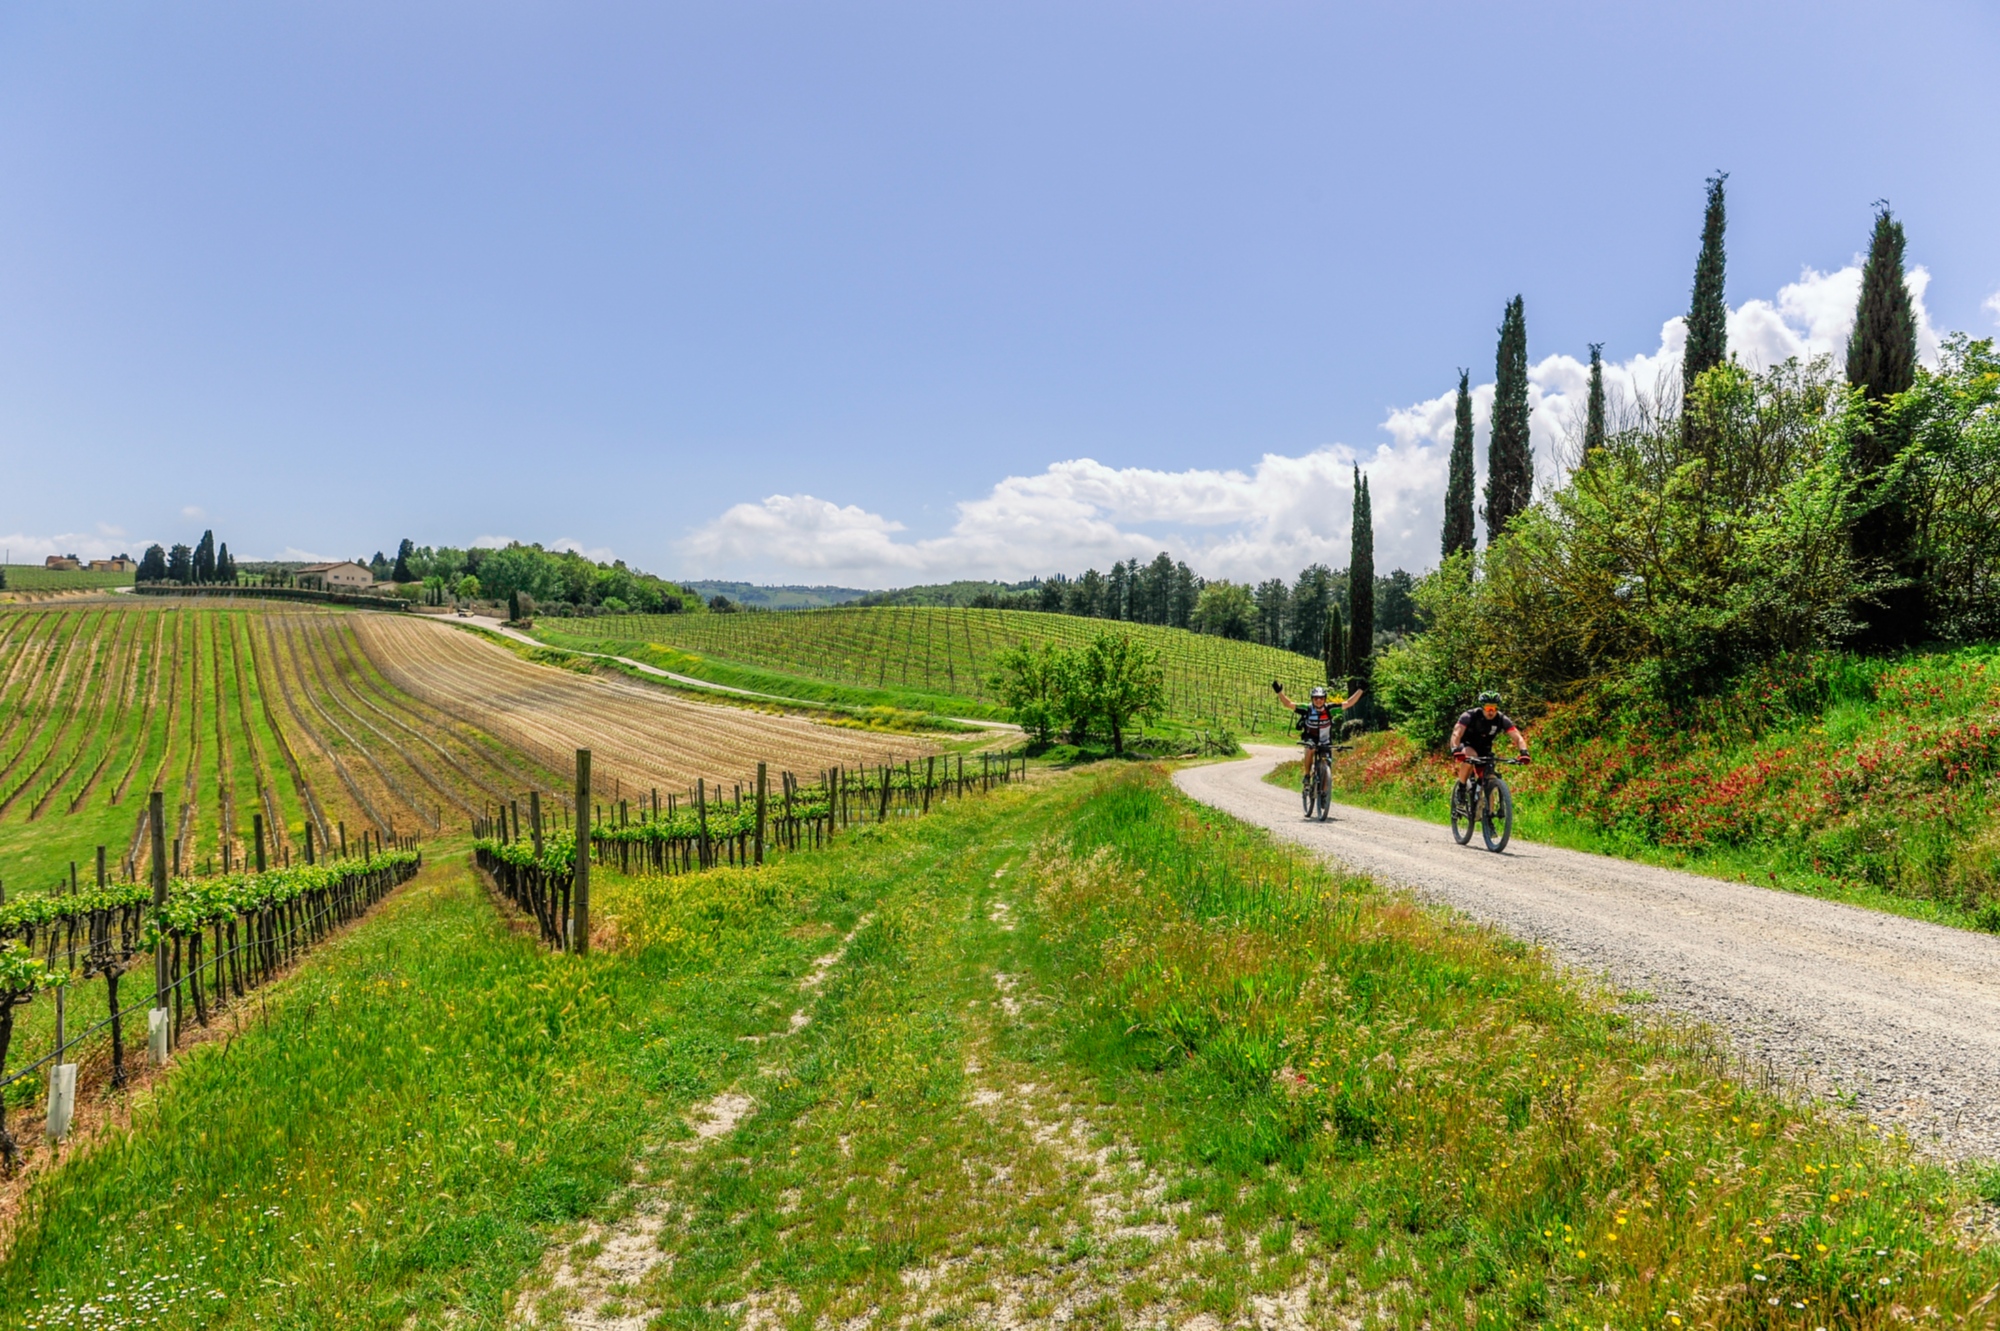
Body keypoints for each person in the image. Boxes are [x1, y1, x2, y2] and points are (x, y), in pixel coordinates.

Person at [1450, 692, 1530, 792]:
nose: (1491, 712)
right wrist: (1455, 748)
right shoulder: (1469, 716)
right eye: (1488, 708)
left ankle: (1488, 806)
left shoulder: (1501, 719)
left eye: (1494, 708)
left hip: (1485, 749)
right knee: (1471, 755)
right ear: (1482, 708)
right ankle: (1461, 789)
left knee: (1489, 779)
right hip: (1467, 744)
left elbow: (1518, 738)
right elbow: (1456, 734)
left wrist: (1524, 753)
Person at [1271, 680, 1364, 762]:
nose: (1318, 700)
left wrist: (1361, 690)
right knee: (1309, 750)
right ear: (1312, 699)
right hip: (1310, 739)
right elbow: (1288, 704)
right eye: (1316, 698)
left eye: (1321, 698)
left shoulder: (1330, 709)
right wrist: (1279, 692)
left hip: (1325, 740)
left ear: (1325, 699)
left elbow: (1349, 703)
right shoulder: (1307, 708)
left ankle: (1326, 777)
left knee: (1328, 760)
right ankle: (1307, 775)